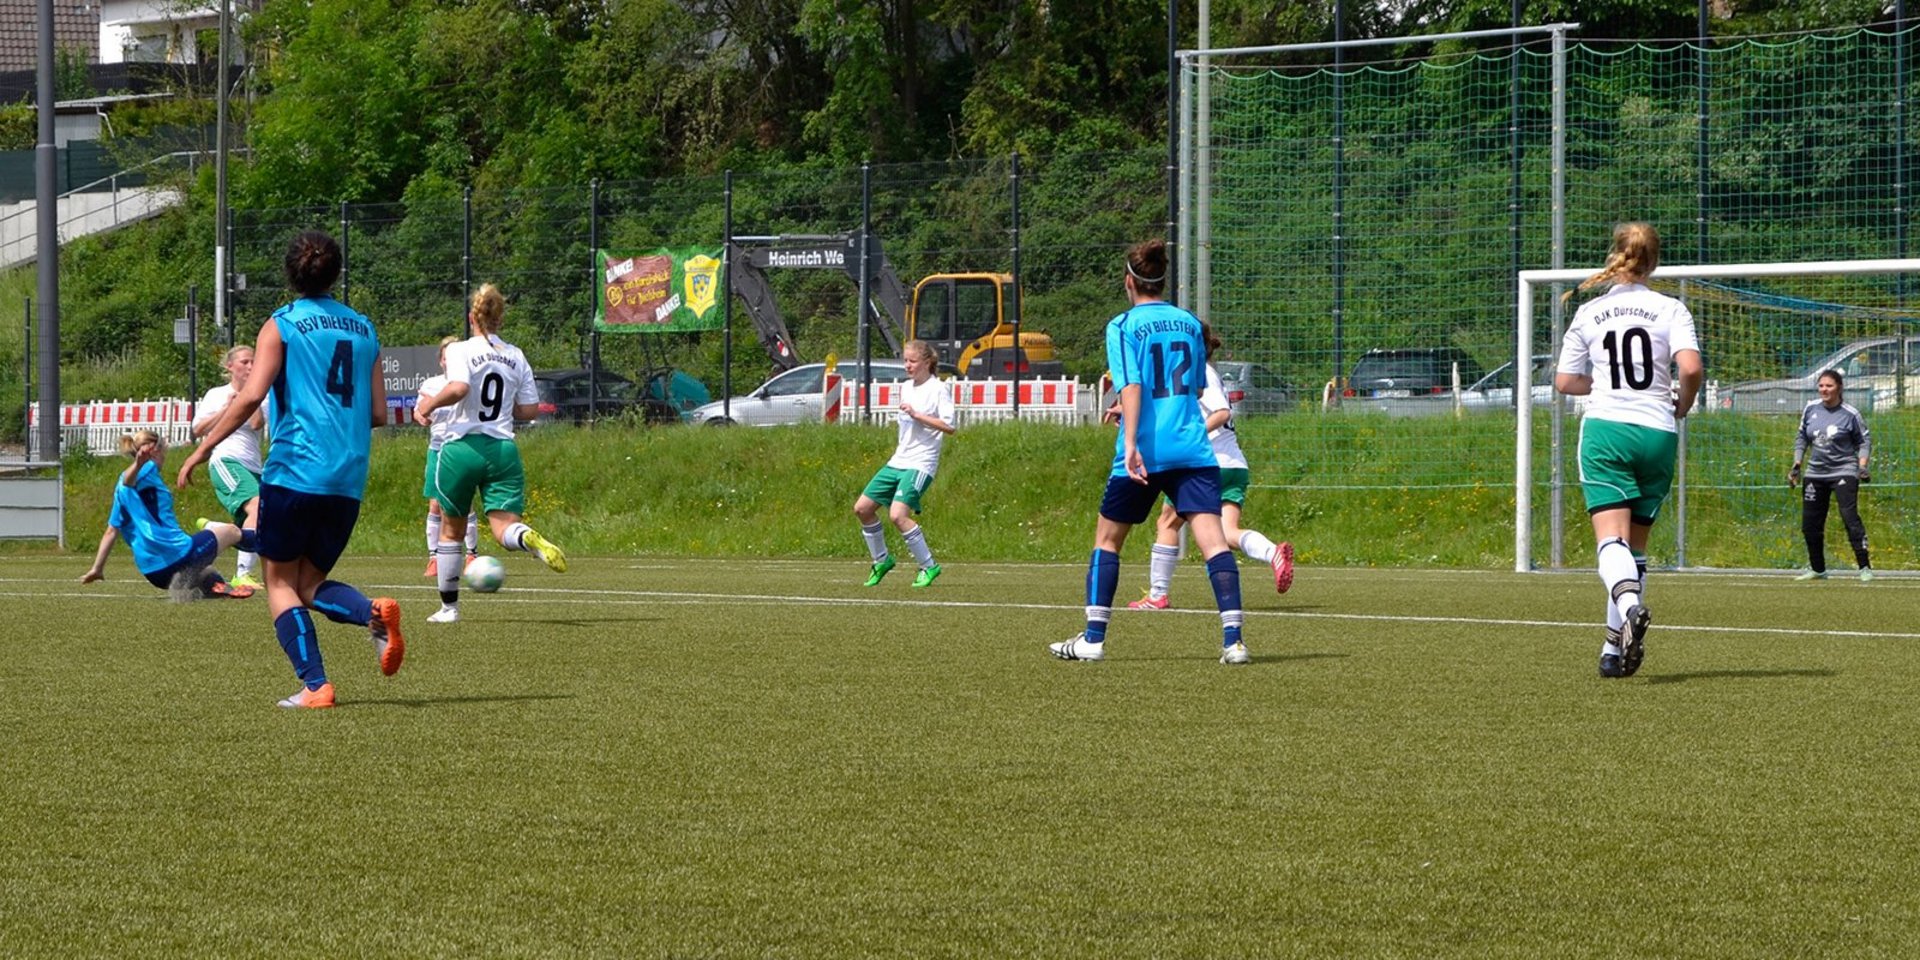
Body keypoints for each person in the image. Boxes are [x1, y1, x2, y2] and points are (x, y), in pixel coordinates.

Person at [178, 230, 403, 709]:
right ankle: (372, 614)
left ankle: (316, 686)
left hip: (295, 470)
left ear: (290, 274)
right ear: (336, 272)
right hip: (347, 479)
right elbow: (380, 414)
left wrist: (203, 448)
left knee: (279, 585)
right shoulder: (364, 329)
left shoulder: (281, 324)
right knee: (308, 584)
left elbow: (251, 396)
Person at [1050, 239, 1250, 665]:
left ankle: (1092, 639)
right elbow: (1194, 388)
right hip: (1193, 449)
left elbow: (1133, 385)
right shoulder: (1190, 324)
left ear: (1129, 281)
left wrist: (1129, 442)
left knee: (1108, 538)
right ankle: (1233, 641)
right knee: (1213, 541)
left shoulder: (1122, 326)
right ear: (1161, 280)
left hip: (1145, 450)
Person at [1554, 221, 1703, 679]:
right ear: (1654, 262)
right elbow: (1691, 368)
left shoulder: (1590, 313)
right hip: (1658, 432)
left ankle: (1631, 604)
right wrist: (1683, 402)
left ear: (1613, 256)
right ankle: (1611, 649)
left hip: (1608, 431)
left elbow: (1563, 382)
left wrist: (1602, 381)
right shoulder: (1671, 309)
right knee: (1634, 549)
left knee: (1610, 542)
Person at [413, 283, 568, 624]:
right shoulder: (516, 355)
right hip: (502, 450)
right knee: (503, 528)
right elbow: (528, 410)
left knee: (451, 530)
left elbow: (458, 388)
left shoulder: (460, 350)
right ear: (500, 319)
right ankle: (526, 537)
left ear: (473, 317)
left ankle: (448, 609)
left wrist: (428, 404)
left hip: (462, 447)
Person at [1128, 324, 1294, 609]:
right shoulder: (1196, 374)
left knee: (1167, 522)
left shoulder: (1202, 372)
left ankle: (1157, 594)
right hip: (1233, 465)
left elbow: (1221, 412)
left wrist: (1192, 436)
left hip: (1205, 464)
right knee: (1227, 532)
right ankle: (1271, 552)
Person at [80, 430, 256, 599]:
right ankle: (266, 542)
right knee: (232, 531)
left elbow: (111, 531)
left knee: (206, 572)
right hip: (180, 556)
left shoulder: (120, 493)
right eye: (164, 450)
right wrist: (139, 463)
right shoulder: (147, 467)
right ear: (156, 450)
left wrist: (97, 569)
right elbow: (129, 480)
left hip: (156, 574)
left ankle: (214, 586)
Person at [854, 339, 956, 588]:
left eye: (912, 361)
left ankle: (929, 566)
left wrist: (917, 415)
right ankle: (882, 560)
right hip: (898, 460)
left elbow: (949, 426)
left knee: (898, 515)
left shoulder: (939, 389)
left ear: (927, 362)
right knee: (862, 509)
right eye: (905, 361)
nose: (907, 366)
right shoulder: (906, 387)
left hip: (921, 463)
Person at [191, 345, 267, 589]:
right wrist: (227, 408)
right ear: (230, 367)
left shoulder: (261, 395)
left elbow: (256, 424)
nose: (250, 366)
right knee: (256, 506)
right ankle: (242, 574)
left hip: (253, 465)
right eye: (245, 362)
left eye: (253, 362)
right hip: (226, 460)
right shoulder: (216, 394)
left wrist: (249, 397)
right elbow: (198, 429)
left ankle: (216, 529)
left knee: (259, 520)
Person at [1789, 369, 1873, 581]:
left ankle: (1864, 567)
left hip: (1843, 471)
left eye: (1829, 386)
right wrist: (1797, 463)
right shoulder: (1810, 409)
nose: (1824, 390)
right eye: (1821, 386)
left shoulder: (1850, 414)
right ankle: (1818, 569)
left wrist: (1862, 466)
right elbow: (1801, 438)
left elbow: (1863, 441)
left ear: (1839, 388)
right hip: (1815, 473)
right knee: (1810, 524)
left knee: (1849, 518)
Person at [417, 335, 481, 578]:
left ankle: (472, 554)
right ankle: (433, 558)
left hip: (461, 447)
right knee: (435, 504)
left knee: (464, 503)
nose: (448, 359)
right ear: (441, 360)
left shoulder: (469, 382)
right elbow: (419, 411)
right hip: (437, 449)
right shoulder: (430, 384)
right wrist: (421, 416)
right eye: (445, 356)